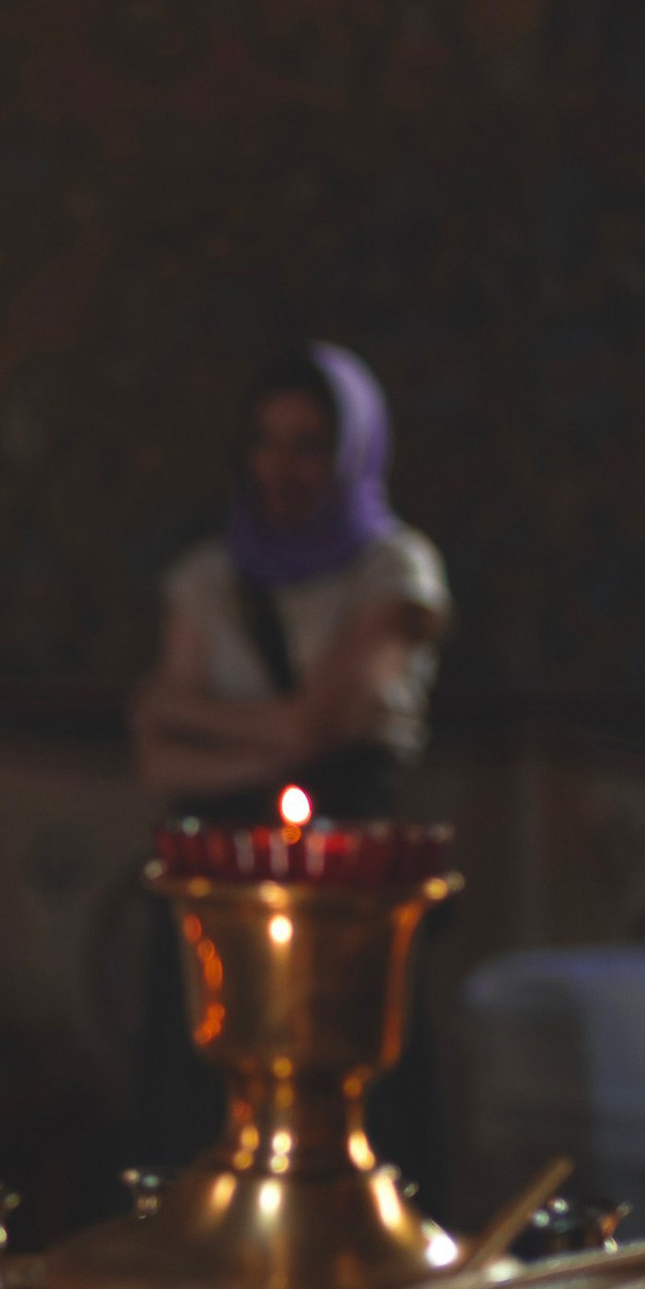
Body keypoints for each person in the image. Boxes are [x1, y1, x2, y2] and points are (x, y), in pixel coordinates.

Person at [129, 341, 452, 1170]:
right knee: (206, 1104)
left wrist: (197, 718)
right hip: (223, 869)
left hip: (347, 875)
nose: (283, 468)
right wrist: (278, 738)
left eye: (308, 445)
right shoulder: (206, 578)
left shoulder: (394, 570)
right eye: (267, 442)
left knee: (351, 1102)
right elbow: (158, 755)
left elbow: (308, 729)